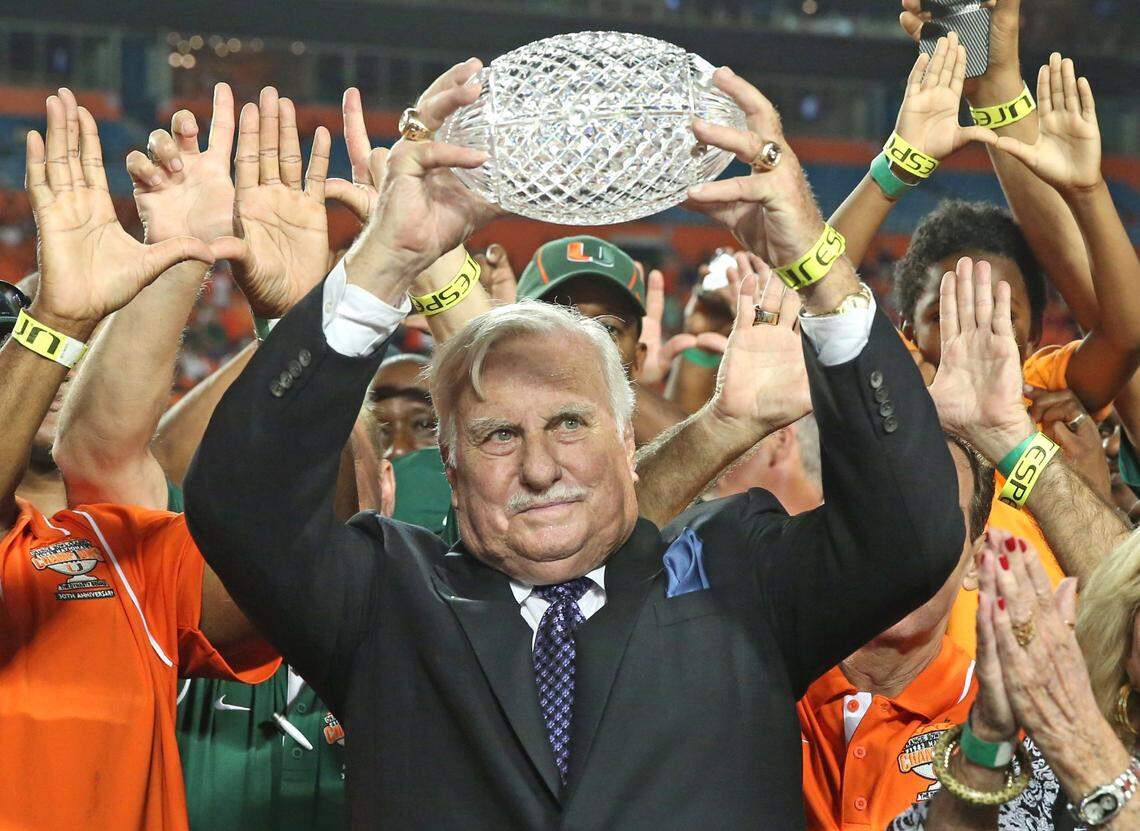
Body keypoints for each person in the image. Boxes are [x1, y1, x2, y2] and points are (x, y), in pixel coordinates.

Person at [185, 57, 966, 828]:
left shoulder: (740, 573)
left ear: (627, 439)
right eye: (497, 434)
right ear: (450, 469)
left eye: (568, 421)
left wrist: (815, 264)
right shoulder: (385, 600)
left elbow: (913, 532)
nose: (539, 466)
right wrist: (382, 260)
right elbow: (238, 507)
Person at [0, 87, 278, 831]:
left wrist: (296, 321)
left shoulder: (130, 558)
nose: (53, 367)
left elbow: (287, 568)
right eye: (16, 347)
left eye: (69, 349)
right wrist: (57, 317)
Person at [799, 434, 994, 830]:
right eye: (878, 511)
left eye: (936, 522)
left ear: (978, 562)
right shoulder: (751, 680)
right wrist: (724, 423)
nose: (905, 548)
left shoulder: (1007, 729)